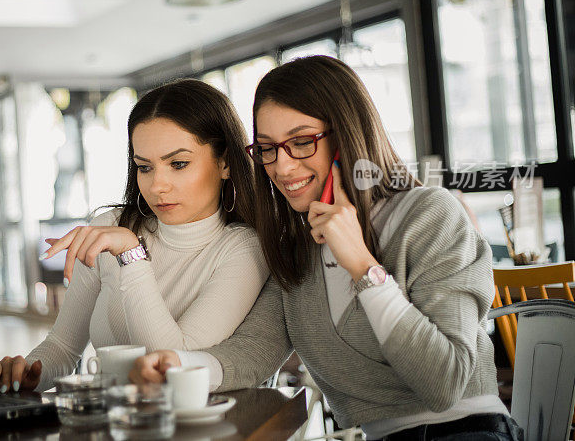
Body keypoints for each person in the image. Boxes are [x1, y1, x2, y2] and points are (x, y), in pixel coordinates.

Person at [131, 57, 522, 441]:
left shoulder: (428, 215)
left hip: (465, 431)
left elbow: (444, 383)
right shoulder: (294, 246)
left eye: (301, 142)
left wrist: (362, 266)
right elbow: (256, 350)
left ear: (347, 134)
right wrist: (181, 364)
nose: (282, 168)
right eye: (268, 148)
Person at [0, 79, 269, 393]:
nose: (157, 186)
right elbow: (63, 346)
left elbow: (174, 363)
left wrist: (132, 256)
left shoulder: (244, 249)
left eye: (178, 164)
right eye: (145, 167)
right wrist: (26, 374)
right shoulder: (111, 226)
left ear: (225, 163)